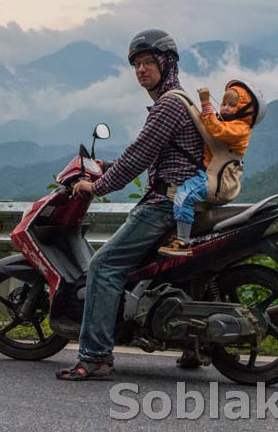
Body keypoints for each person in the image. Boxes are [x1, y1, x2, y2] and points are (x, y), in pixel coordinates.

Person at [55, 29, 205, 381]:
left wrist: (97, 186)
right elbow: (147, 154)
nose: (141, 69)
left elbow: (139, 156)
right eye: (136, 64)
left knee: (104, 266)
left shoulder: (168, 104)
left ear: (166, 64)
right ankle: (194, 347)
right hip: (177, 196)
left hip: (166, 203)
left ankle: (94, 357)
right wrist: (106, 167)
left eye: (148, 62)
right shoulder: (178, 100)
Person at [159, 82, 254, 256]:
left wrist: (205, 102)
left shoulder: (240, 129)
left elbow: (215, 129)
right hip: (211, 176)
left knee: (183, 195)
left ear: (245, 110)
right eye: (224, 103)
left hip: (216, 182)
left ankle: (183, 242)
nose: (225, 108)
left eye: (233, 105)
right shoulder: (232, 124)